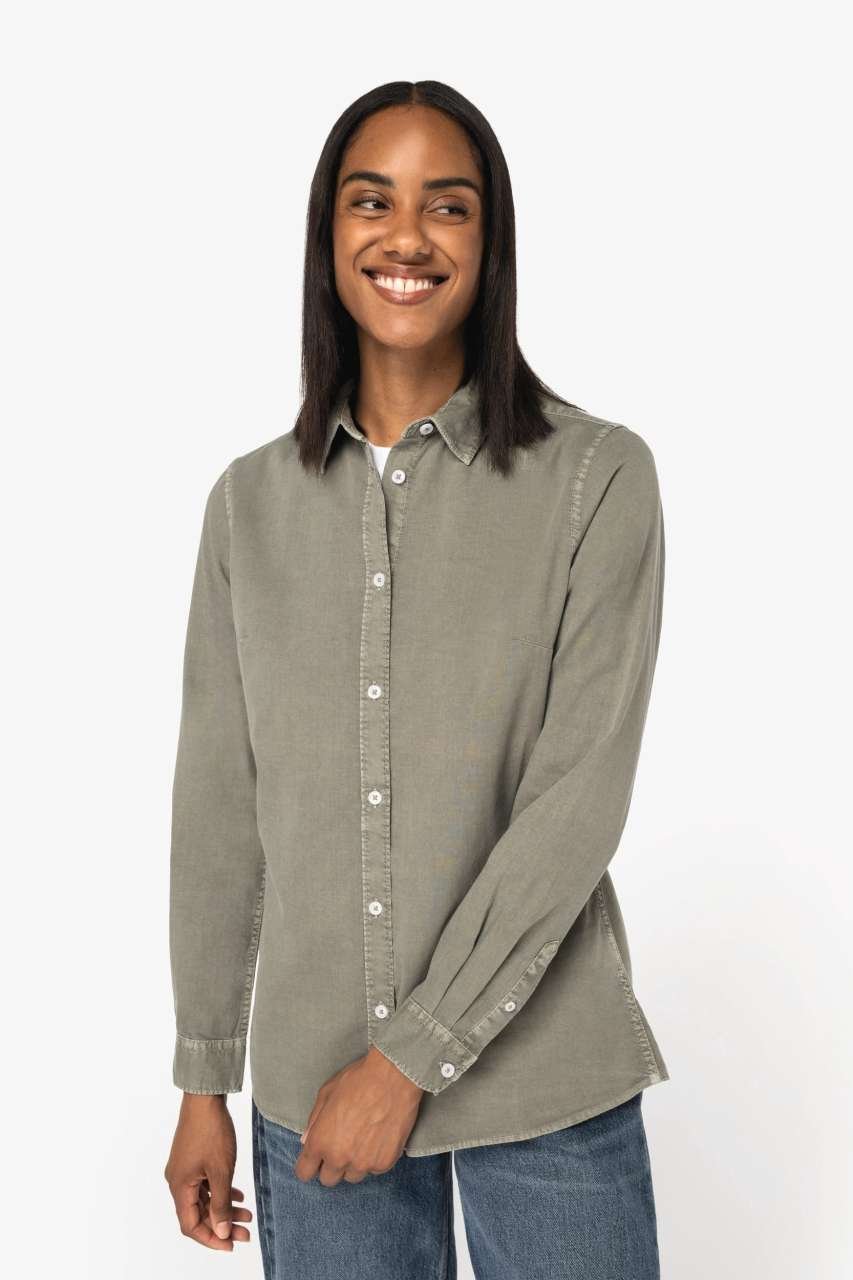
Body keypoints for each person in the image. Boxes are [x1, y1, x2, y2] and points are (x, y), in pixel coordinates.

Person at [164, 79, 670, 1280]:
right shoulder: (247, 505)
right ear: (327, 234)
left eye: (447, 206)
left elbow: (575, 802)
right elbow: (219, 806)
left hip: (543, 1089)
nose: (407, 237)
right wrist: (203, 1077)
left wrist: (407, 1059)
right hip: (310, 1092)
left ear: (489, 244)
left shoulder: (596, 478)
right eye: (370, 201)